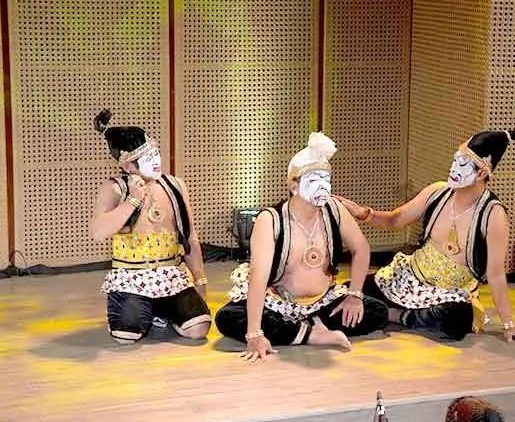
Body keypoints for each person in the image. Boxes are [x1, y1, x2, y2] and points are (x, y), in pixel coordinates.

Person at [337, 101, 515, 343]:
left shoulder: (493, 215)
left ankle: (397, 316)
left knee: (456, 320)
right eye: (455, 160)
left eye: (463, 164)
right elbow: (396, 219)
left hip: (448, 295)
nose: (453, 168)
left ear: (482, 172)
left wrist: (509, 324)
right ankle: (401, 313)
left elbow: (495, 274)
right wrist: (366, 213)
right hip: (410, 277)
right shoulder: (438, 191)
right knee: (345, 294)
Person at [215, 132, 388, 362]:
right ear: (294, 186)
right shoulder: (271, 220)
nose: (323, 187)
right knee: (229, 317)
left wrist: (354, 295)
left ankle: (299, 329)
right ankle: (312, 334)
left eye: (326, 180)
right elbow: (258, 278)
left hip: (323, 301)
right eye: (314, 180)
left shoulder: (334, 209)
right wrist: (254, 334)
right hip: (278, 303)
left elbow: (361, 248)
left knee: (376, 311)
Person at [90, 109, 211, 344]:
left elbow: (190, 236)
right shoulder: (115, 188)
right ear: (127, 165)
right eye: (147, 158)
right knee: (127, 336)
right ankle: (134, 310)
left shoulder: (174, 185)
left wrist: (200, 280)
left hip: (170, 274)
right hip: (132, 277)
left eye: (156, 153)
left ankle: (159, 310)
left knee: (199, 329)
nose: (156, 161)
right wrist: (132, 200)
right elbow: (98, 232)